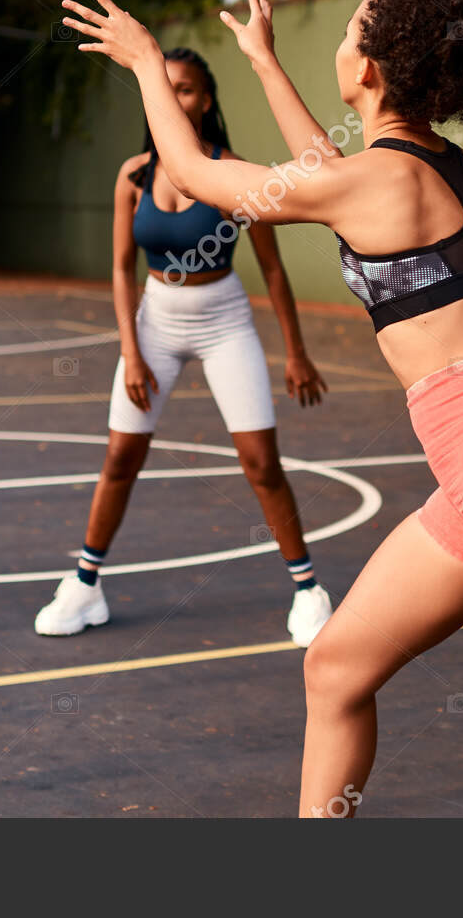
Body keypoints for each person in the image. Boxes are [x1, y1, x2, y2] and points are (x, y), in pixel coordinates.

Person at [62, 0, 463, 817]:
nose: (341, 46)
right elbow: (332, 170)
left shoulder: (373, 183)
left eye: (348, 34)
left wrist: (146, 61)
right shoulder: (457, 173)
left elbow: (195, 175)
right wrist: (266, 63)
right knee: (336, 667)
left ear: (370, 70)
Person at [35, 47, 334, 646]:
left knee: (260, 463)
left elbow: (273, 272)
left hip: (223, 318)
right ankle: (85, 586)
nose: (177, 97)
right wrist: (133, 350)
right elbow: (121, 269)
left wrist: (296, 352)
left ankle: (308, 591)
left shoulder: (235, 172)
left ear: (208, 99)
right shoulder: (131, 175)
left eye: (190, 88)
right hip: (155, 325)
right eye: (167, 86)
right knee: (121, 457)